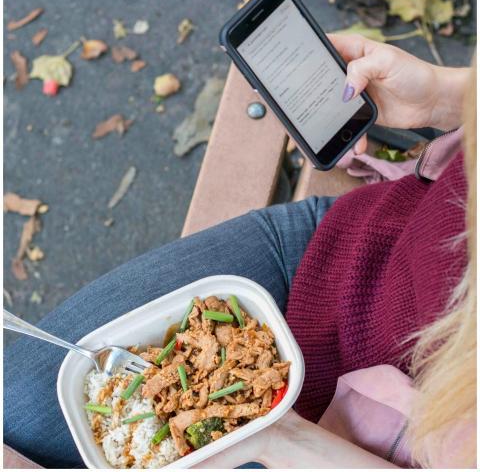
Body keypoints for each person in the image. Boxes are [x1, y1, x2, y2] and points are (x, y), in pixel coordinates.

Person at [4, 34, 476, 469]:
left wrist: (269, 436)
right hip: (349, 245)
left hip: (352, 443)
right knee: (16, 411)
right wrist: (447, 96)